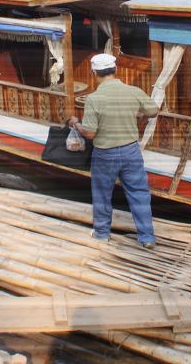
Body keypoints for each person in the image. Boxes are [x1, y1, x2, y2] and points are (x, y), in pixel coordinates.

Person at [68, 53, 159, 248]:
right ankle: (147, 237)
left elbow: (90, 134)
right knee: (139, 193)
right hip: (131, 151)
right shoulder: (133, 91)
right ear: (115, 70)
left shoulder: (94, 98)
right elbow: (153, 110)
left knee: (102, 194)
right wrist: (137, 114)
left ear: (94, 73)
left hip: (105, 154)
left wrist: (76, 124)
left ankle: (102, 234)